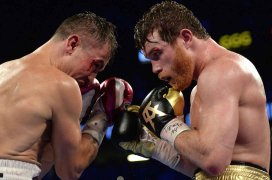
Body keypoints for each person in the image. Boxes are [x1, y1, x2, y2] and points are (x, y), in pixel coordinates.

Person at [0, 12, 133, 180]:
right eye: (95, 65)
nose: (92, 78)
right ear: (72, 44)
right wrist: (100, 117)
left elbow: (13, 164)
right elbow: (70, 171)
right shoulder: (62, 85)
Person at [113, 1, 270, 179]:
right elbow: (201, 168)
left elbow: (213, 161)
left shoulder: (223, 71)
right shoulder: (200, 88)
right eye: (151, 60)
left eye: (157, 54)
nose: (154, 69)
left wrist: (165, 123)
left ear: (186, 38)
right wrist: (150, 144)